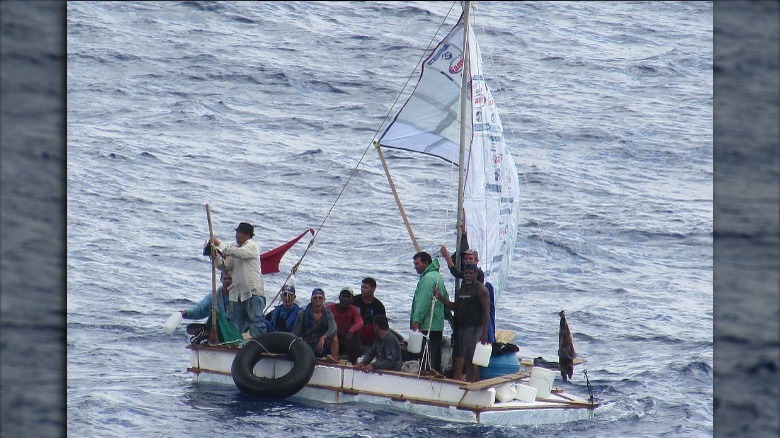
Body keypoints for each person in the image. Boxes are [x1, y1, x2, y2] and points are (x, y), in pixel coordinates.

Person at [210, 221, 267, 338]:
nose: (236, 235)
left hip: (253, 293)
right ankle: (233, 344)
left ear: (246, 234)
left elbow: (240, 254)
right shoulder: (236, 250)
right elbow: (225, 266)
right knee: (234, 322)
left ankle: (260, 346)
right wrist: (215, 255)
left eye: (238, 233)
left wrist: (218, 243)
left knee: (256, 322)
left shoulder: (252, 246)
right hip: (239, 294)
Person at [434, 263, 490, 382]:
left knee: (471, 358)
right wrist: (440, 297)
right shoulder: (463, 288)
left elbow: (486, 313)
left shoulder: (481, 290)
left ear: (476, 274)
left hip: (474, 327)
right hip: (462, 327)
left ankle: (472, 384)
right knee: (465, 357)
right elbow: (455, 307)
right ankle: (470, 383)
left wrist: (484, 334)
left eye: (471, 273)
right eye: (466, 273)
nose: (468, 276)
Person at [410, 251, 449, 374]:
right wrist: (449, 317)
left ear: (426, 263)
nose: (415, 266)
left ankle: (426, 381)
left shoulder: (428, 278)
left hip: (427, 326)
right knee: (435, 357)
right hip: (437, 325)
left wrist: (416, 321)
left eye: (417, 264)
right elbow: (445, 298)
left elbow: (423, 301)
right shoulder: (438, 277)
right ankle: (437, 378)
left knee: (426, 358)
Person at [292, 287, 339, 362]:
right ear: (311, 299)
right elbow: (296, 333)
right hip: (307, 345)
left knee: (334, 337)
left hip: (321, 345)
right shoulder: (302, 314)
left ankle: (334, 361)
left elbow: (334, 327)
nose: (317, 299)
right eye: (315, 297)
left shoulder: (328, 313)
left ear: (324, 300)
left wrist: (323, 337)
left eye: (320, 297)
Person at [326, 287, 364, 364]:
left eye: (348, 297)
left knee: (356, 334)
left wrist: (350, 331)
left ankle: (353, 361)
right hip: (330, 338)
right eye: (343, 296)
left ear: (351, 299)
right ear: (339, 297)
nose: (345, 299)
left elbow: (360, 323)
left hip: (345, 340)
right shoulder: (330, 308)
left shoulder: (353, 309)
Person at [352, 277, 386, 348]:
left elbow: (382, 324)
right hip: (354, 330)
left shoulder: (379, 306)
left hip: (371, 333)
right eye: (362, 287)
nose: (362, 289)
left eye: (366, 287)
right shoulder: (354, 301)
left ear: (373, 289)